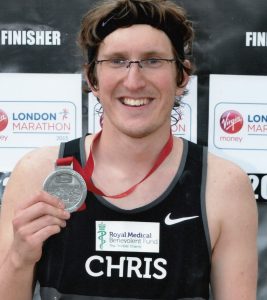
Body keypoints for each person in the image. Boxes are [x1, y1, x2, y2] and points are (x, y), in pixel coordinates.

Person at [0, 0, 258, 299]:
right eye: (117, 61)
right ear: (92, 78)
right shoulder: (38, 173)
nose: (134, 81)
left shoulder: (223, 186)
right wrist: (19, 258)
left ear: (182, 76)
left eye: (152, 60)